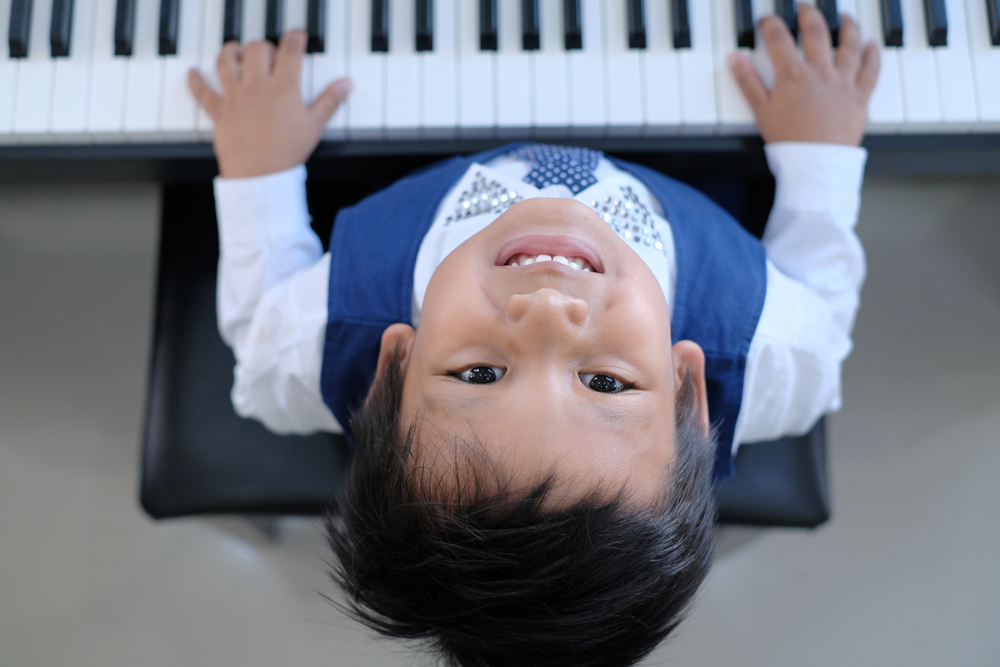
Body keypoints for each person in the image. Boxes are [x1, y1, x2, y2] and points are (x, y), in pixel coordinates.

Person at [189, 5, 878, 667]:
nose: (548, 309)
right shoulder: (775, 351)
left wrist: (264, 173)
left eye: (480, 373)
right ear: (688, 389)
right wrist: (817, 159)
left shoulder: (319, 333)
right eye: (605, 382)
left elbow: (257, 343)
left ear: (391, 362)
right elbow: (822, 302)